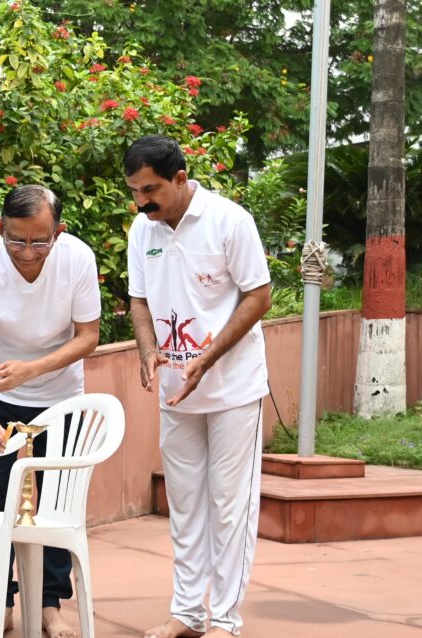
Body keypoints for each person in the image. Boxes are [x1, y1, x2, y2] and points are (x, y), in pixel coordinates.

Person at [124, 135, 272, 638]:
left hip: (233, 389)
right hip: (175, 391)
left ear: (181, 179)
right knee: (185, 504)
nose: (141, 202)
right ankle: (186, 613)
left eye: (150, 190)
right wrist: (148, 352)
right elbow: (139, 301)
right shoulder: (142, 231)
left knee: (230, 506)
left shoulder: (230, 221)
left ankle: (225, 621)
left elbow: (259, 295)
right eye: (135, 191)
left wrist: (207, 360)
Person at [0, 184, 101, 638]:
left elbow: (87, 337)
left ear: (60, 231)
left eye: (41, 241)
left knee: (52, 503)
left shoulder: (77, 258)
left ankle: (50, 604)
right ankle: (0, 601)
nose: (28, 252)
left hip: (59, 393)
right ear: (0, 227)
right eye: (16, 240)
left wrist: (31, 370)